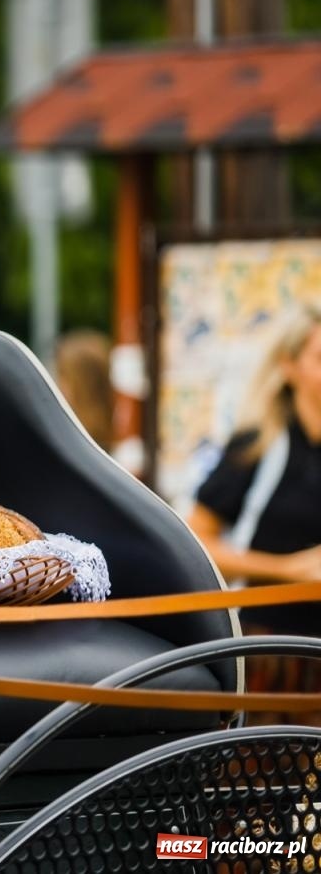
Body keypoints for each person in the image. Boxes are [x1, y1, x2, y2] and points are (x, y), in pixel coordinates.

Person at [186, 303, 321, 723]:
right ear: (289, 365)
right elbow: (197, 543)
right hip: (266, 653)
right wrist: (289, 569)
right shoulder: (259, 444)